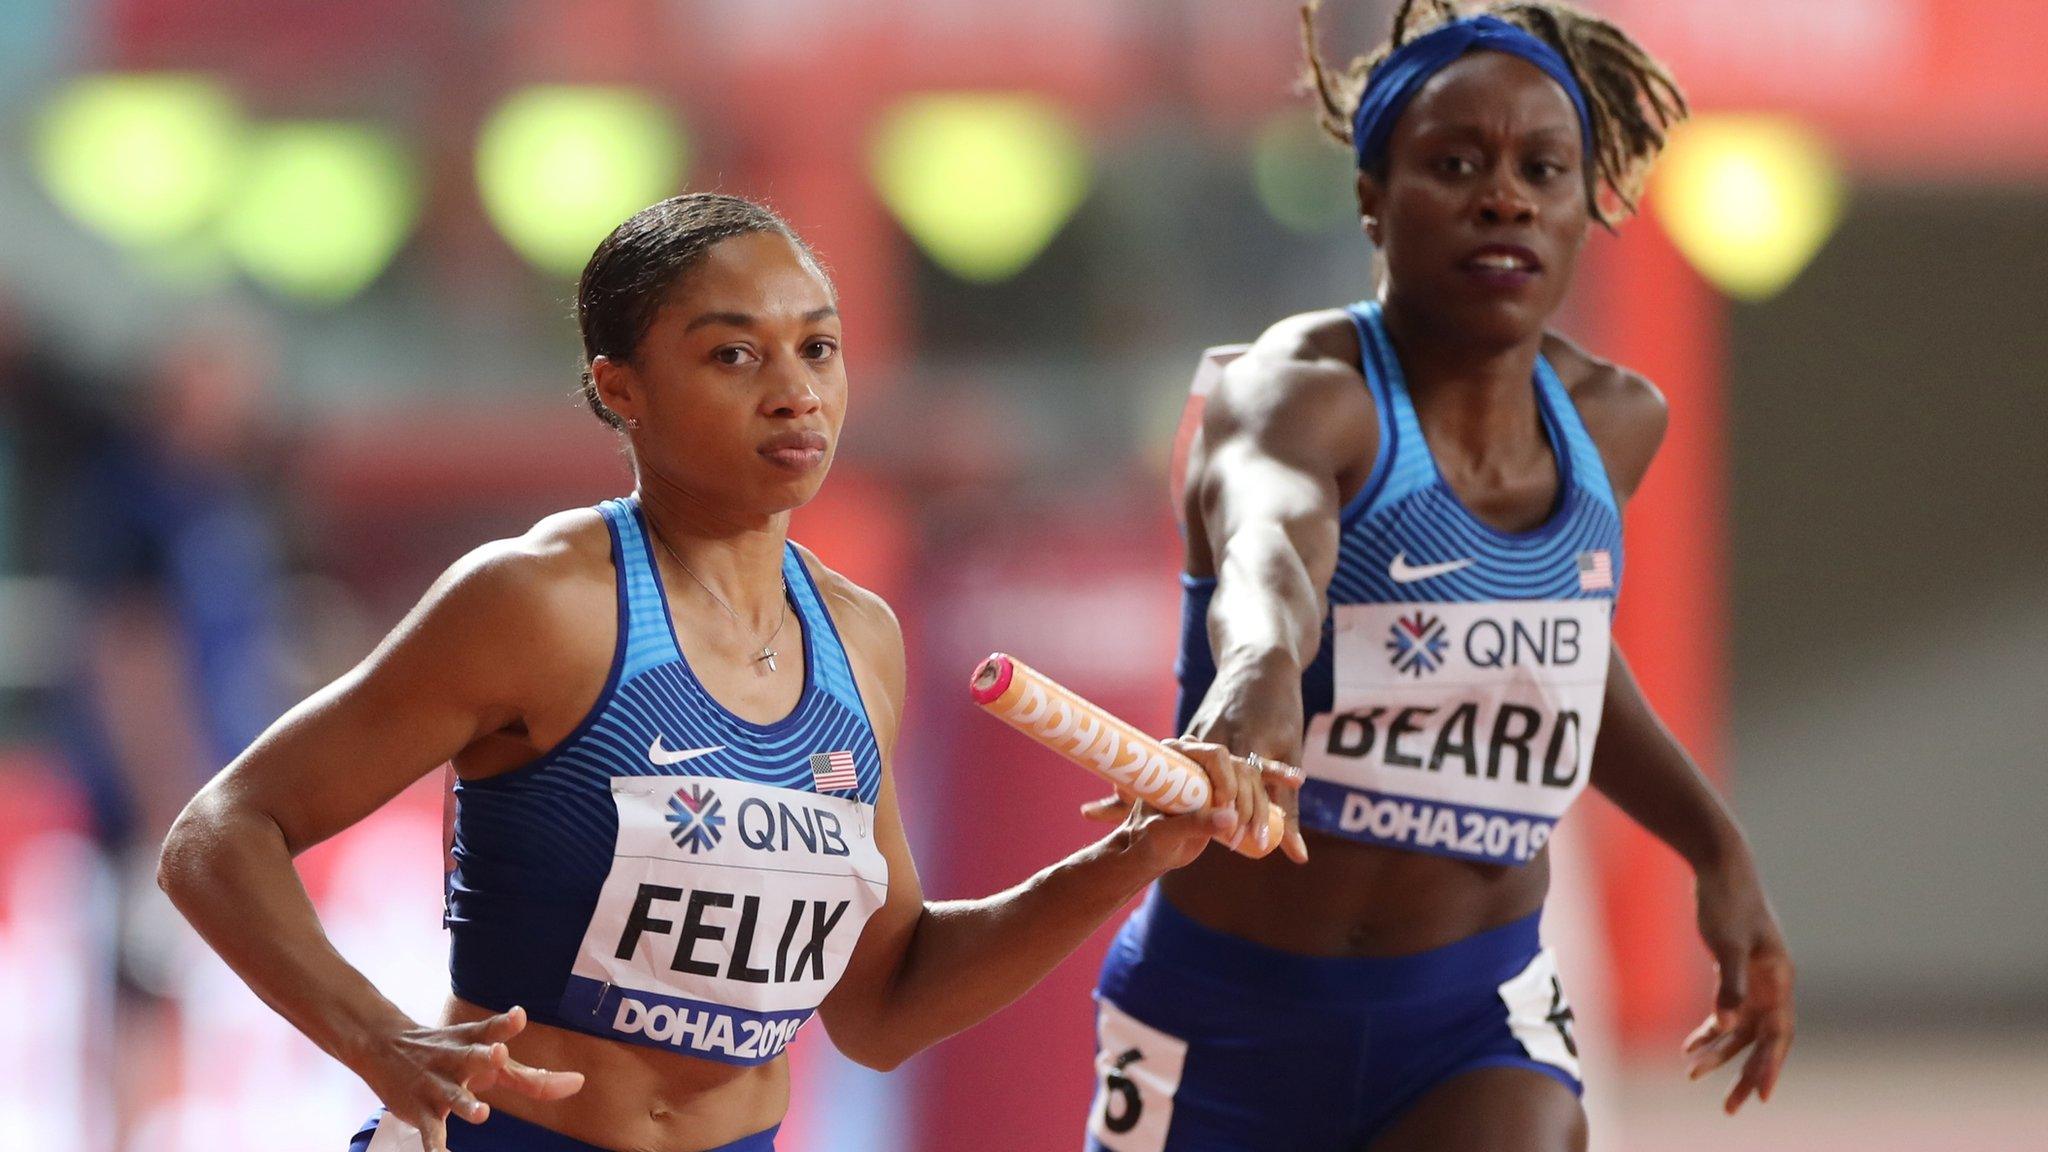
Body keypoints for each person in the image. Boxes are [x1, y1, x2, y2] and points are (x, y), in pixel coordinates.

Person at [157, 193, 1295, 1152]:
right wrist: (375, 1037)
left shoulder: (859, 640)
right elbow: (220, 834)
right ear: (619, 389)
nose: (794, 390)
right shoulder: (538, 602)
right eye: (733, 354)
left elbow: (885, 1005)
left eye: (819, 346)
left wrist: (1132, 855)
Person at [1080, 4, 1795, 1150]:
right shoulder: (1297, 389)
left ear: (1581, 205)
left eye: (1540, 170)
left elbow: (1553, 659)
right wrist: (1260, 665)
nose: (1501, 196)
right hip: (1223, 1015)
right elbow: (1271, 547)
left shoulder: (1612, 425)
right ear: (1372, 195)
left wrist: (1716, 849)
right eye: (1454, 165)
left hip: (1472, 1013)